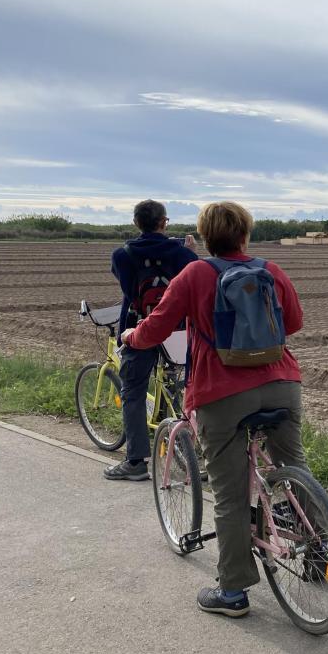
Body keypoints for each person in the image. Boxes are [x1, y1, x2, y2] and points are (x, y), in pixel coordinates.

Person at [121, 201, 305, 618]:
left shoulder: (196, 274)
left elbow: (157, 327)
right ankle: (315, 550)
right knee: (294, 465)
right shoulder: (271, 271)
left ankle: (233, 592)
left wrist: (132, 336)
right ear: (246, 234)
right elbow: (292, 323)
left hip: (221, 393)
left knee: (230, 493)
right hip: (281, 383)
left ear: (205, 237)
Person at [105, 200, 198, 481]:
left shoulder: (122, 255)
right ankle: (191, 455)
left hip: (139, 328)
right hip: (177, 329)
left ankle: (135, 462)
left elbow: (126, 286)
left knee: (132, 391)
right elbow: (194, 277)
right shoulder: (183, 254)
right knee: (181, 387)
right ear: (164, 223)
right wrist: (190, 252)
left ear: (136, 223)